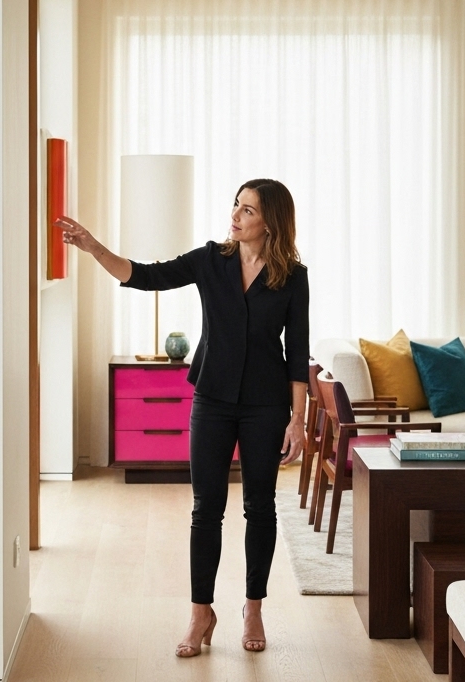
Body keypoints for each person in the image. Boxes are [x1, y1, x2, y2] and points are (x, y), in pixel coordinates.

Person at [56, 178, 309, 657]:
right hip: (211, 399)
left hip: (265, 404)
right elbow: (144, 275)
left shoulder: (293, 277)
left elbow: (298, 352)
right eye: (236, 205)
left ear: (270, 222)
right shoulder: (212, 259)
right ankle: (200, 612)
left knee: (261, 506)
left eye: (248, 210)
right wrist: (94, 248)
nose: (235, 215)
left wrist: (297, 420)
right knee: (205, 509)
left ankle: (253, 606)